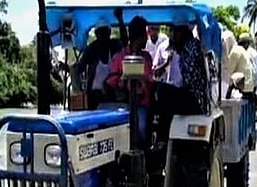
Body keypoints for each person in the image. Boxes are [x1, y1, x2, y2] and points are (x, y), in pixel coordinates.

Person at [152, 23, 209, 143]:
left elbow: (189, 79)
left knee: (162, 90)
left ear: (181, 33)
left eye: (174, 33)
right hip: (191, 96)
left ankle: (162, 139)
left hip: (195, 99)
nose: (171, 37)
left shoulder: (191, 48)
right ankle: (162, 139)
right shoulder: (185, 49)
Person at [106, 16, 154, 148]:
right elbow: (111, 82)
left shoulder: (147, 57)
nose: (147, 38)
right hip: (124, 104)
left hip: (142, 104)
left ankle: (143, 159)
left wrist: (142, 80)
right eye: (145, 34)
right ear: (140, 36)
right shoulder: (120, 57)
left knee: (141, 129)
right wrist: (122, 81)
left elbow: (150, 80)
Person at [76, 9, 127, 110]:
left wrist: (120, 20)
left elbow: (125, 41)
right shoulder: (91, 49)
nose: (102, 35)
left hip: (111, 94)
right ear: (96, 34)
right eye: (100, 32)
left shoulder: (114, 45)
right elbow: (79, 68)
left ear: (109, 32)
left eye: (105, 32)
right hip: (94, 95)